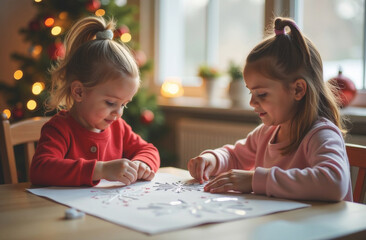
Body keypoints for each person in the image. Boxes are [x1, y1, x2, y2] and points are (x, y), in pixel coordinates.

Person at [188, 17, 352, 202]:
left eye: (262, 94)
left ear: (298, 89)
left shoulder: (321, 134)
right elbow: (234, 155)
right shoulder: (267, 133)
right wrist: (213, 159)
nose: (252, 102)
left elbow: (333, 183)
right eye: (251, 92)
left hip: (325, 229)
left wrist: (254, 180)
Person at [30, 16, 160, 186]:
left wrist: (141, 164)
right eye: (110, 103)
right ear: (79, 92)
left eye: (123, 104)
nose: (118, 113)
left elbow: (149, 150)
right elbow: (41, 169)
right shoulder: (59, 129)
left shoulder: (118, 127)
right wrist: (101, 169)